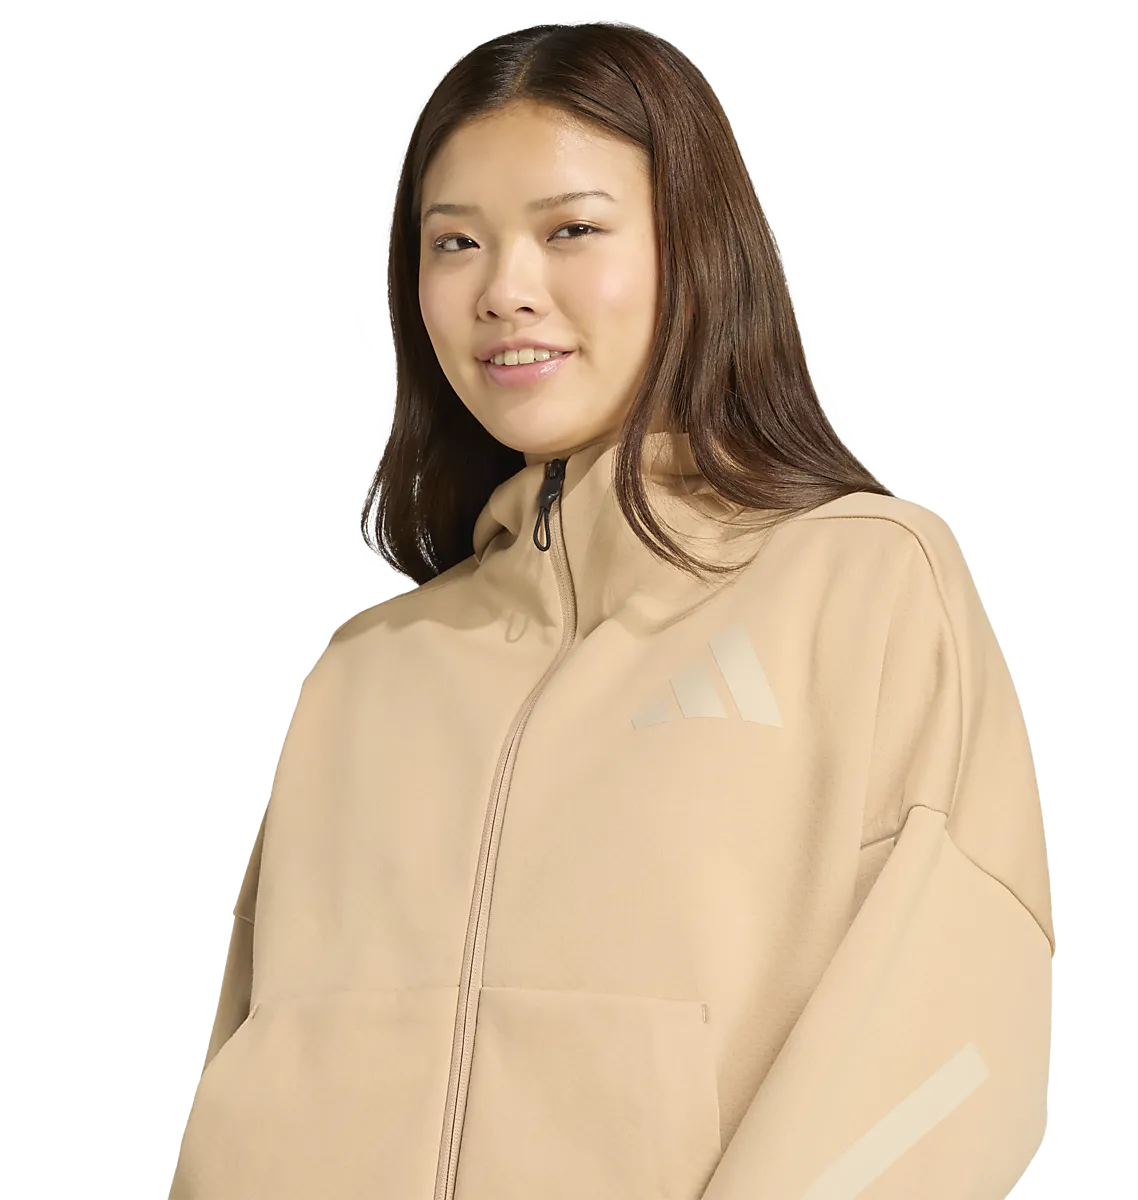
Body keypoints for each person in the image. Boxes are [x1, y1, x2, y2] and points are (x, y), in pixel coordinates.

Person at [170, 19, 1055, 1200]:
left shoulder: (861, 585)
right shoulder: (365, 672)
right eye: (454, 243)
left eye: (571, 230)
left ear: (695, 250)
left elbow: (939, 1049)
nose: (503, 291)